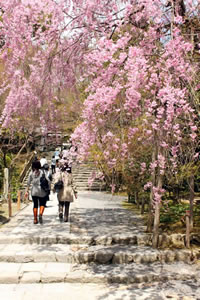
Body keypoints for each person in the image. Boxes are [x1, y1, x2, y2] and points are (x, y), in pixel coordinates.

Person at [25, 160, 50, 224]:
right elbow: (48, 180)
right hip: (41, 191)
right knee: (42, 204)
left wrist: (26, 191)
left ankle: (35, 219)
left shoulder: (31, 173)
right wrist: (48, 188)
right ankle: (40, 214)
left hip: (34, 190)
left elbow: (28, 183)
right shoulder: (43, 172)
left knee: (35, 205)